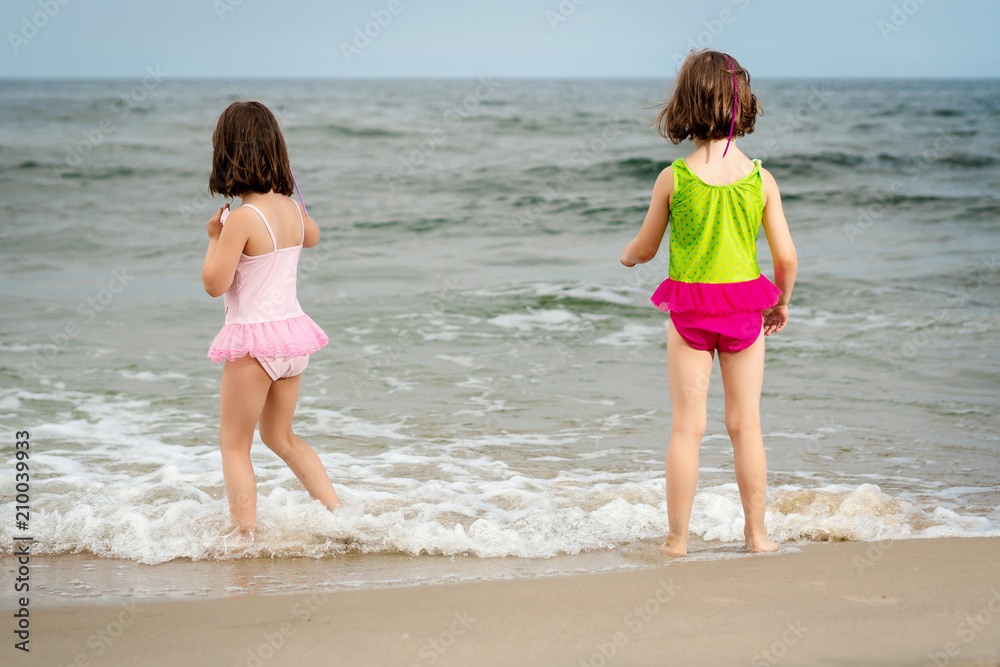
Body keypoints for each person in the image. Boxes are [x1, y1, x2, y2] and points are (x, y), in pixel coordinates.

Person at [620, 50, 797, 556]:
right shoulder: (760, 180)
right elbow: (787, 257)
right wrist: (780, 303)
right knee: (746, 425)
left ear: (685, 105)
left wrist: (629, 256)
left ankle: (677, 541)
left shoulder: (674, 178)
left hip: (692, 315)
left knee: (686, 428)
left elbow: (647, 247)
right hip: (745, 312)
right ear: (742, 106)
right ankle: (757, 536)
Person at [202, 101, 340, 536]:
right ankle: (340, 517)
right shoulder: (294, 213)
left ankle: (244, 537)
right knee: (282, 438)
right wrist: (294, 198)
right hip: (292, 342)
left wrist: (214, 239)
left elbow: (214, 283)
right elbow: (312, 237)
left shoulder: (242, 219)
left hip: (254, 344)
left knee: (234, 444)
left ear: (227, 155)